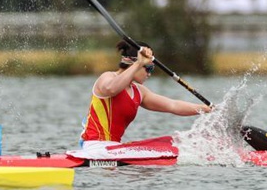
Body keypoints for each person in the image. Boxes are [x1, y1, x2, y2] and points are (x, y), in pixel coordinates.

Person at [78, 40, 212, 157]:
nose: (149, 73)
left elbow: (173, 105)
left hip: (114, 149)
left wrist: (207, 109)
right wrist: (138, 63)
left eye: (151, 68)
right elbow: (111, 89)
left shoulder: (139, 92)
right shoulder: (107, 77)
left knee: (169, 143)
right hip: (95, 147)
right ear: (132, 63)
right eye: (147, 68)